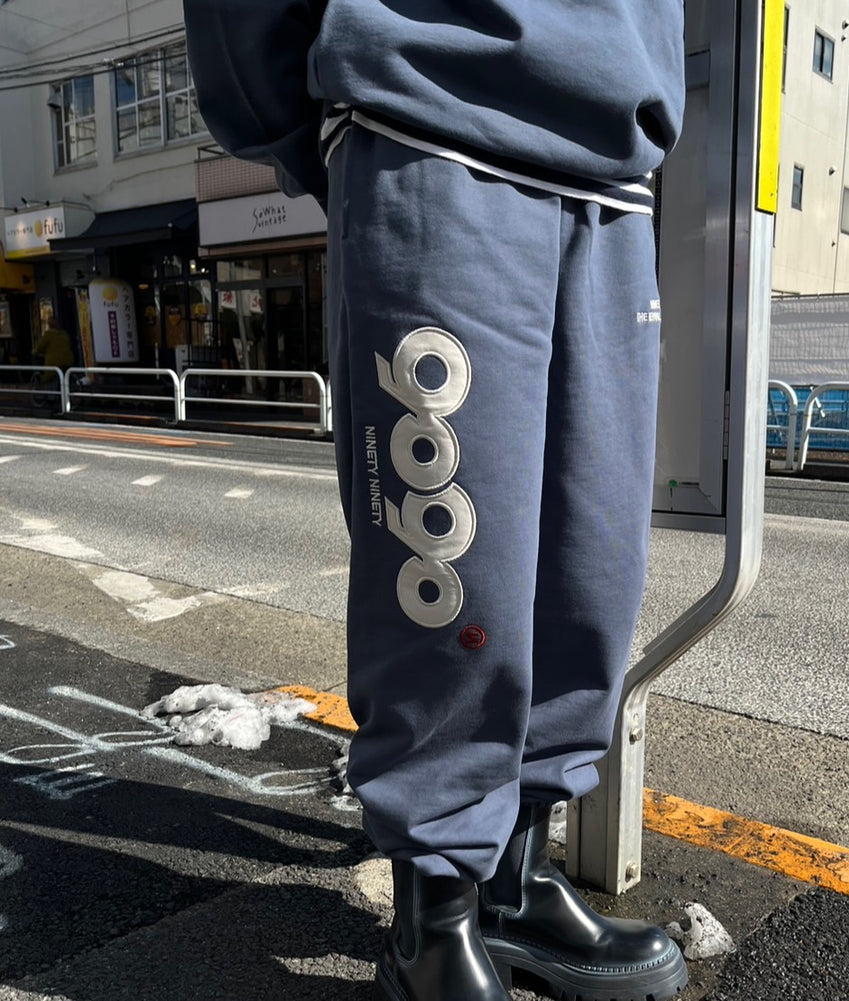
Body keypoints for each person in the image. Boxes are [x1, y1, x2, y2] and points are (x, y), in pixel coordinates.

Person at [183, 2, 688, 999]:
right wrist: (328, 123)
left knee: (589, 569)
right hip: (433, 121)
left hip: (614, 178)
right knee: (454, 577)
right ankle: (435, 927)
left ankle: (513, 884)